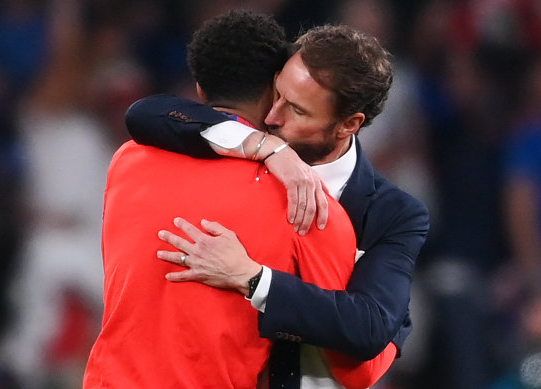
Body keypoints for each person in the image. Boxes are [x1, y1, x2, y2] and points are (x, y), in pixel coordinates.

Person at [83, 10, 394, 389]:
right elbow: (358, 366)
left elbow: (153, 113)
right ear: (274, 89)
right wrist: (394, 319)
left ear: (199, 88)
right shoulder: (305, 202)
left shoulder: (127, 161)